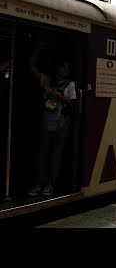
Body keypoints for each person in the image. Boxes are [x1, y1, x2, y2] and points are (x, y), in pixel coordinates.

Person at [27, 47, 76, 197]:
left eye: (67, 67)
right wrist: (37, 51)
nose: (65, 70)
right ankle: (40, 182)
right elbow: (32, 68)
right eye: (63, 67)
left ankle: (50, 184)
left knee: (56, 153)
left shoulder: (70, 84)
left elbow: (72, 102)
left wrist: (55, 94)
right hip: (46, 120)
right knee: (42, 153)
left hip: (60, 123)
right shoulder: (47, 79)